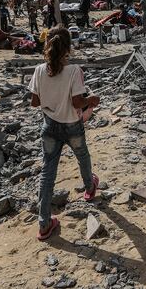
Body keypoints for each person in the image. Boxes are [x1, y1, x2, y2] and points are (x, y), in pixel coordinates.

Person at [28, 28, 100, 240]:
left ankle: (44, 223)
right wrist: (92, 100)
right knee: (82, 155)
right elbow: (78, 102)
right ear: (68, 48)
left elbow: (34, 102)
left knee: (48, 171)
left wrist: (52, 98)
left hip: (49, 126)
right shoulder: (74, 70)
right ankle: (89, 187)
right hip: (71, 125)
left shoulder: (40, 70)